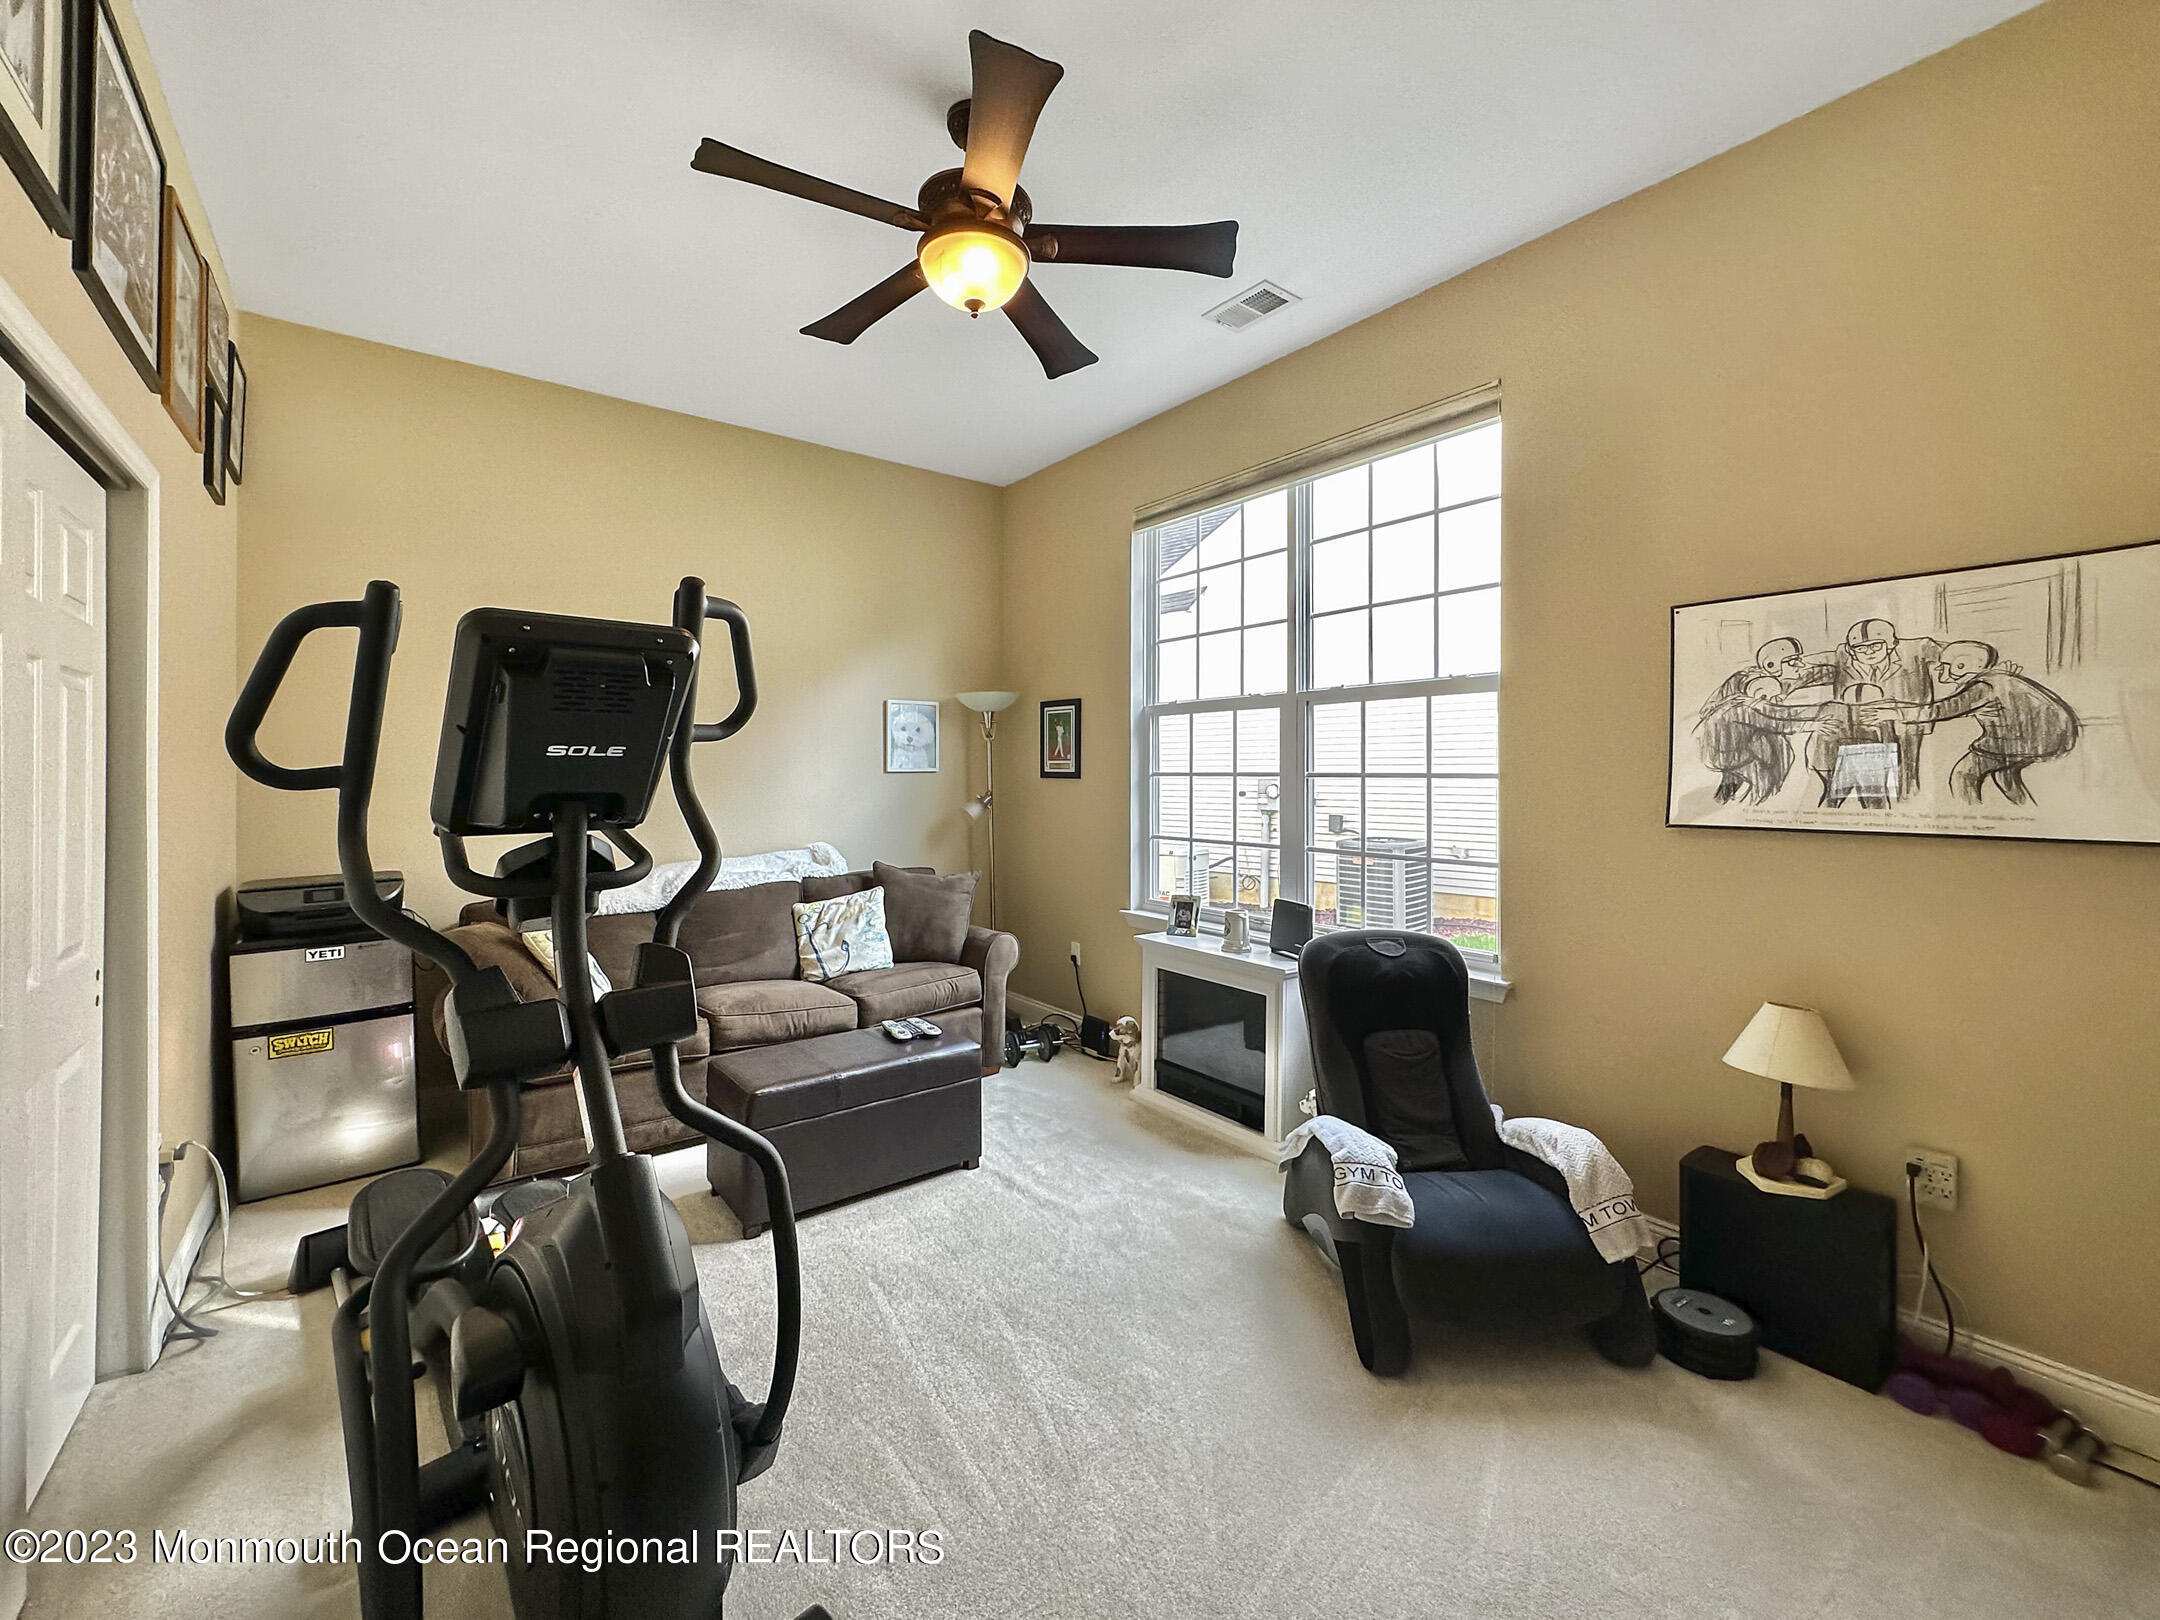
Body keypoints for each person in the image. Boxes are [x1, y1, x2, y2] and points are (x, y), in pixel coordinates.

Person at [1868, 641, 2079, 805]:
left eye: (1946, 665)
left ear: (1962, 665)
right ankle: (2025, 812)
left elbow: (1942, 709)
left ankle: (1969, 816)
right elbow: (1968, 708)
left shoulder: (1982, 687)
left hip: (2022, 739)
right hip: (2052, 737)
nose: (1940, 670)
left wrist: (1895, 713)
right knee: (2004, 775)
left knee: (1964, 775)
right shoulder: (1997, 678)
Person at [1799, 618, 1943, 797]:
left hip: (1906, 723)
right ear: (1851, 650)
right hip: (1863, 727)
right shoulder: (1843, 654)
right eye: (1860, 648)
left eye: (1875, 645)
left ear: (1890, 644)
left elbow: (1957, 654)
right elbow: (1810, 665)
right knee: (1866, 778)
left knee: (1907, 774)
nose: (1868, 652)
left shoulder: (1917, 649)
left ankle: (1908, 806)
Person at [1695, 638, 1819, 803]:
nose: (1799, 666)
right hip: (1738, 745)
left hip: (1741, 742)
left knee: (1733, 783)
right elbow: (1779, 717)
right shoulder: (1756, 686)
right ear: (1771, 665)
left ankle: (1725, 802)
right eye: (1792, 662)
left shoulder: (1770, 678)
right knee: (1771, 772)